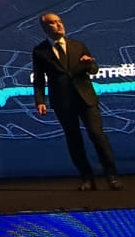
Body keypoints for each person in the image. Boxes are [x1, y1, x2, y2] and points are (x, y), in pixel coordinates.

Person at [32, 12, 123, 190]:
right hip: (62, 101)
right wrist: (40, 100)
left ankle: (112, 176)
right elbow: (39, 79)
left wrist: (89, 64)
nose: (59, 25)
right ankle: (87, 178)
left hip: (85, 98)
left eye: (59, 21)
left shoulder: (78, 45)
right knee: (74, 139)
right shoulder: (40, 51)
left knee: (97, 135)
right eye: (53, 23)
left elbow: (94, 69)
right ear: (45, 27)